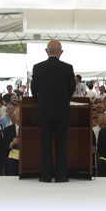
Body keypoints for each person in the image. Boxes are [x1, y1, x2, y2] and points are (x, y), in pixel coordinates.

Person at [31, 39, 76, 182]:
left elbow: (34, 90)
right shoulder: (68, 68)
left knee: (45, 145)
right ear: (60, 52)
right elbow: (71, 89)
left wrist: (40, 104)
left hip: (44, 112)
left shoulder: (37, 68)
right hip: (62, 112)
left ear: (46, 51)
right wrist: (63, 101)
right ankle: (61, 176)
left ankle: (45, 175)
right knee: (61, 145)